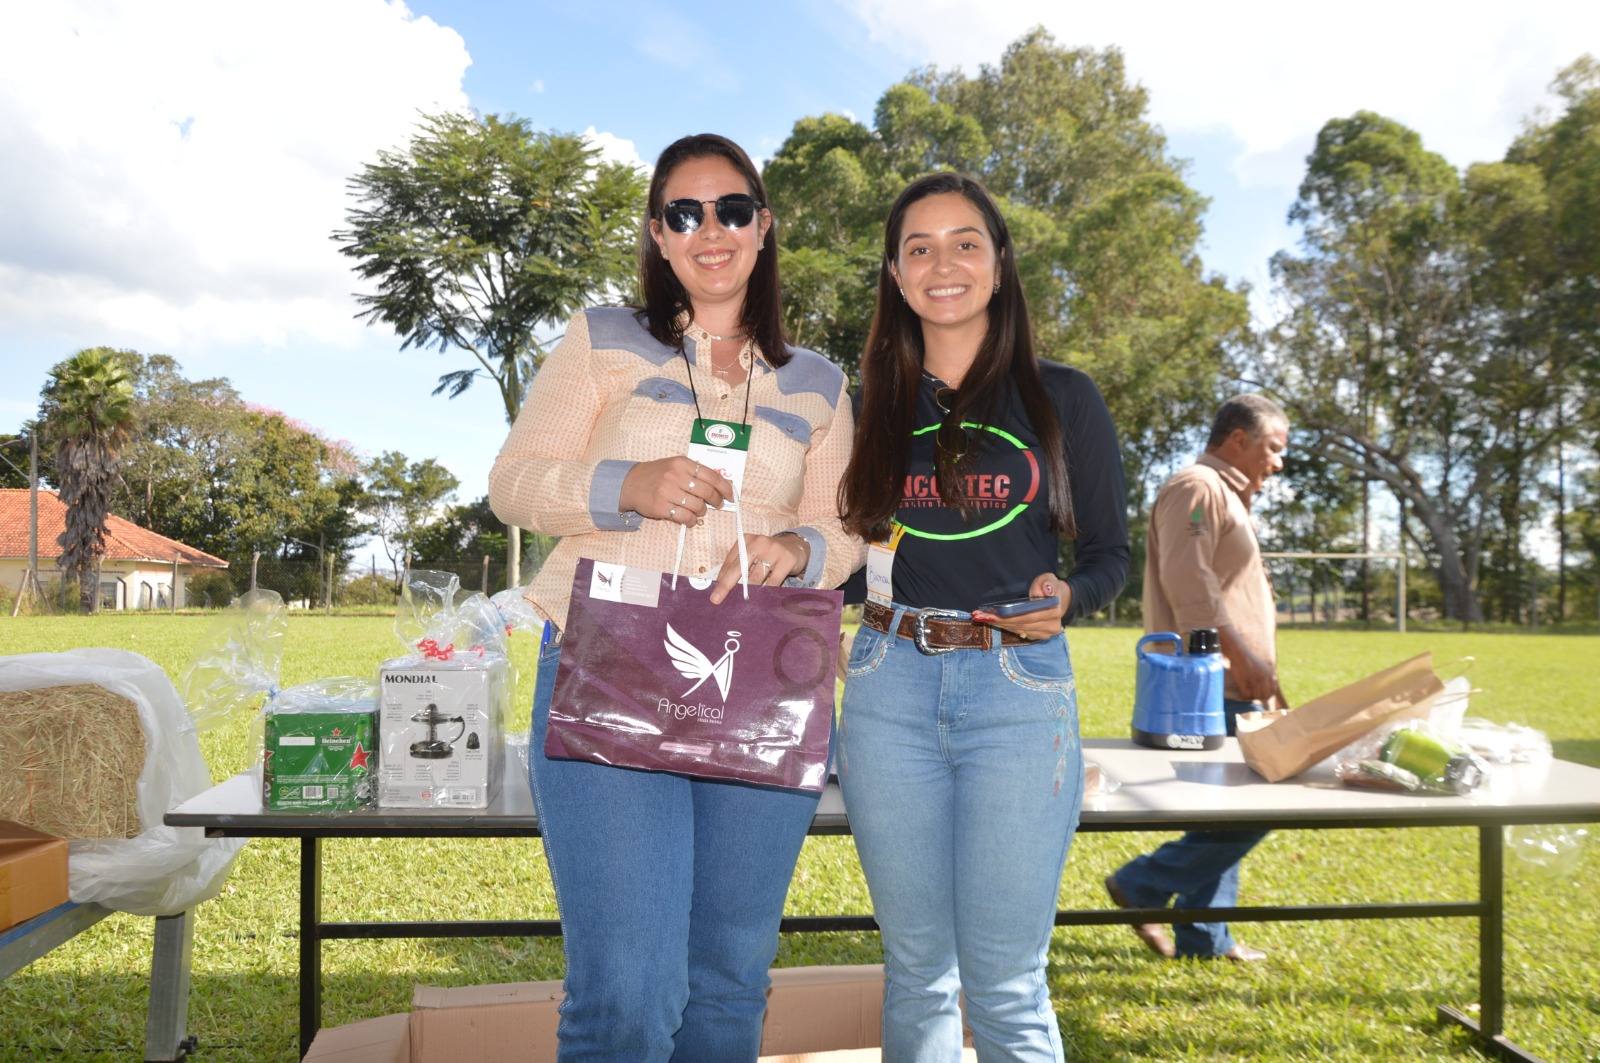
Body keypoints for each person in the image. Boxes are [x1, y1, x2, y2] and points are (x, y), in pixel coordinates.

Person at [488, 132, 859, 1063]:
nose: (710, 229)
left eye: (731, 208)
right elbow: (513, 482)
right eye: (683, 213)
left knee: (728, 981)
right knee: (628, 989)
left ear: (763, 225)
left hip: (759, 679)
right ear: (657, 234)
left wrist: (798, 548)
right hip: (605, 660)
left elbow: (848, 530)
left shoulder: (820, 383)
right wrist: (628, 484)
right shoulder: (602, 339)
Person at [836, 172, 1129, 1062]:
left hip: (1017, 692)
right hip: (887, 688)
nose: (943, 264)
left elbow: (1110, 556)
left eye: (966, 243)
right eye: (919, 248)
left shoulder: (1063, 397)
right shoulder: (864, 406)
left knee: (1005, 978)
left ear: (999, 264)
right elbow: (848, 560)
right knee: (917, 969)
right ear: (895, 275)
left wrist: (1067, 598)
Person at [1105, 393, 1290, 963]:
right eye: (1273, 447)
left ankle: (1205, 937)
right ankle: (1142, 884)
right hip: (1208, 684)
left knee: (1231, 808)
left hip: (1237, 681)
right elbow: (1191, 588)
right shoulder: (1197, 488)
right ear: (1238, 439)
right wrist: (1242, 660)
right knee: (1261, 801)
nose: (1279, 461)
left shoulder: (1225, 494)